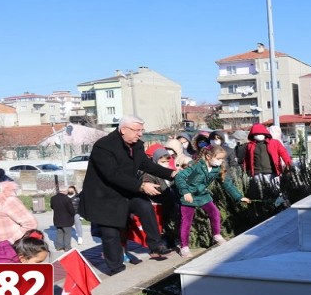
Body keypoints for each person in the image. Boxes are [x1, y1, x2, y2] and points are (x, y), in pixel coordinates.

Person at [79, 115, 176, 275]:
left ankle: (156, 245)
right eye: (137, 130)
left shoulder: (136, 145)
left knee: (144, 206)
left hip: (126, 190)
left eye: (141, 130)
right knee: (111, 233)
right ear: (124, 129)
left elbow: (146, 165)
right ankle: (116, 268)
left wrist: (171, 174)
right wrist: (141, 185)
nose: (140, 134)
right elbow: (112, 174)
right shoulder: (103, 146)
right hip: (104, 196)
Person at [174, 145, 251, 258]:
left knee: (215, 213)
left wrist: (239, 197)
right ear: (208, 156)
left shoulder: (216, 169)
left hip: (203, 195)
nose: (220, 162)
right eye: (218, 159)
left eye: (221, 159)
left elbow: (227, 184)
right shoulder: (196, 166)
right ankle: (184, 247)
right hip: (189, 196)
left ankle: (216, 235)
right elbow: (179, 177)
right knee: (187, 221)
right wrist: (185, 191)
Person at [142, 148, 180, 248]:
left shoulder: (170, 172)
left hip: (172, 202)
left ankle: (174, 239)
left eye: (167, 161)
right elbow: (148, 185)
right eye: (162, 162)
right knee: (164, 225)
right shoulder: (150, 174)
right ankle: (166, 241)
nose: (165, 163)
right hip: (160, 205)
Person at [243, 123, 294, 200]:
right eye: (256, 134)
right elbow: (247, 159)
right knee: (261, 194)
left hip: (272, 173)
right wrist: (246, 170)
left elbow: (284, 153)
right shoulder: (250, 146)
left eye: (260, 133)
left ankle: (277, 207)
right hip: (257, 173)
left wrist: (289, 165)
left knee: (276, 193)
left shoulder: (275, 143)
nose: (258, 135)